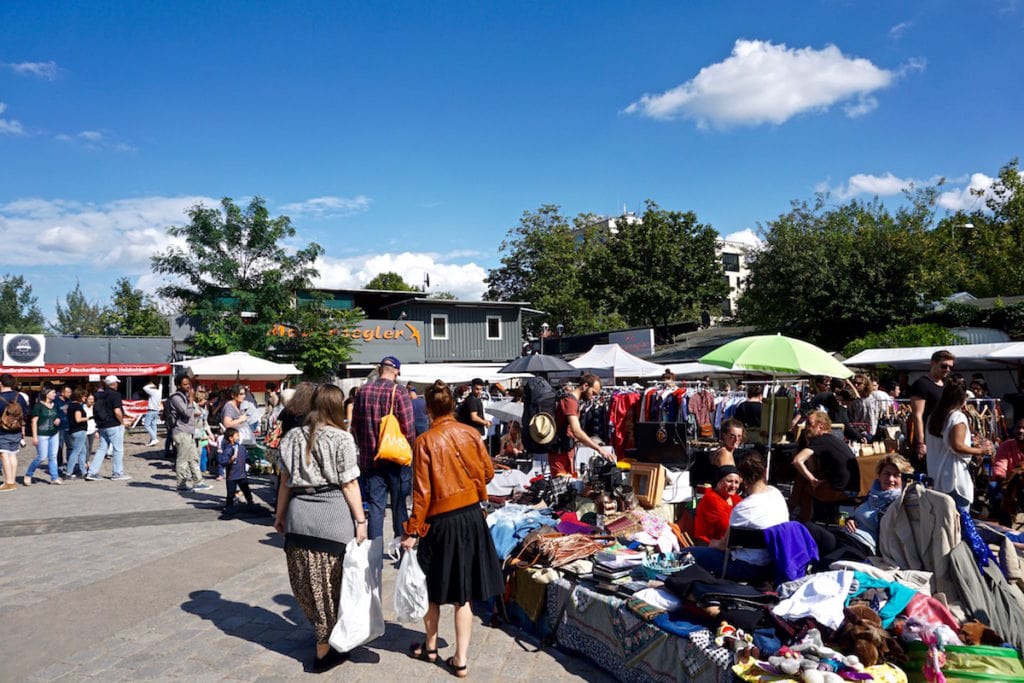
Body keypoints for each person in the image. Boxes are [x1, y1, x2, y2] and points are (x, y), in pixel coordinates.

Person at [400, 380, 503, 679]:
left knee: (431, 588)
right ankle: (460, 659)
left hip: (440, 521)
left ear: (429, 409)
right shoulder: (471, 433)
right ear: (453, 406)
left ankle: (430, 647)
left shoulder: (424, 441)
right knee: (464, 593)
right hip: (471, 516)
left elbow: (421, 494)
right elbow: (488, 472)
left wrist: (412, 530)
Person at [274, 384, 366, 673]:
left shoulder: (291, 438)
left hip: (299, 516)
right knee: (334, 584)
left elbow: (284, 482)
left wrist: (279, 516)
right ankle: (325, 648)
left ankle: (324, 635)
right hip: (333, 518)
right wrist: (361, 521)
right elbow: (349, 483)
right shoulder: (342, 439)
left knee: (307, 584)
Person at [687, 454, 789, 581]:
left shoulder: (743, 508)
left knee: (686, 553)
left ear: (742, 479)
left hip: (746, 567)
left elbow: (724, 545)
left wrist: (711, 544)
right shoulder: (776, 494)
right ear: (765, 472)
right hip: (773, 562)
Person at [802, 454, 912, 568]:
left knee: (826, 563)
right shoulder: (872, 495)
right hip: (844, 535)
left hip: (863, 546)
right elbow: (861, 513)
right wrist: (851, 519)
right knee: (805, 529)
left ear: (903, 480)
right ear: (879, 476)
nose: (890, 479)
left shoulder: (900, 504)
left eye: (896, 476)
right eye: (887, 474)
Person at [351, 356, 415, 541]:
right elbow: (409, 428)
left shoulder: (362, 391)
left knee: (375, 507)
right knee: (399, 505)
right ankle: (401, 549)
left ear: (380, 370)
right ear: (397, 371)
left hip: (370, 460)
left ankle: (374, 554)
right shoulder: (399, 391)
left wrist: (363, 445)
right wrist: (408, 450)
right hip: (395, 459)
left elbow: (355, 426)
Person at [926, 378, 994, 511]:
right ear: (963, 399)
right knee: (960, 524)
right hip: (954, 479)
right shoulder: (957, 417)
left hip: (936, 477)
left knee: (943, 524)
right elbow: (957, 446)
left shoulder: (932, 417)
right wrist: (981, 451)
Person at [790, 410, 859, 522]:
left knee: (804, 485)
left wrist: (812, 480)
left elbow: (797, 460)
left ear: (820, 425)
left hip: (840, 490)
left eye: (810, 423)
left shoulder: (820, 440)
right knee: (804, 479)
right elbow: (812, 468)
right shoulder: (832, 439)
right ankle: (797, 514)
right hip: (852, 488)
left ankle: (802, 521)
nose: (807, 427)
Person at [549, 374, 616, 476]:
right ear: (585, 386)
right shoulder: (570, 401)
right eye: (593, 393)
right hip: (560, 453)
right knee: (562, 486)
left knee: (569, 485)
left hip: (565, 451)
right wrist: (600, 449)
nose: (593, 397)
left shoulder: (572, 401)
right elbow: (576, 430)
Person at [910, 350, 955, 470]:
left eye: (950, 367)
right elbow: (917, 415)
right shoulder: (921, 384)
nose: (947, 370)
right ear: (933, 363)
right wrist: (921, 443)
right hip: (928, 438)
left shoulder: (945, 385)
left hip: (944, 438)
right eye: (944, 366)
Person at [169, 374, 210, 492]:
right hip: (181, 432)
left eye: (188, 384)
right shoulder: (176, 398)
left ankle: (198, 481)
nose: (188, 386)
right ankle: (181, 484)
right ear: (178, 385)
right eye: (185, 384)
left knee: (193, 457)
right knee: (183, 459)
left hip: (189, 432)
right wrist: (191, 399)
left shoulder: (186, 396)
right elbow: (186, 413)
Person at [86, 375, 130, 481]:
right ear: (114, 384)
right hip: (114, 425)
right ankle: (117, 473)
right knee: (118, 449)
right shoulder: (115, 395)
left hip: (102, 425)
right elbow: (117, 411)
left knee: (102, 448)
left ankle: (92, 472)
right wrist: (122, 422)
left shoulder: (99, 394)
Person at [693, 465, 743, 544]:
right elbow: (724, 527)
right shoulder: (711, 498)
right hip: (710, 544)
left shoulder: (736, 498)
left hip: (730, 542)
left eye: (736, 482)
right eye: (729, 481)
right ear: (719, 482)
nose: (733, 486)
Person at [25, 383, 63, 485]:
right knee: (41, 456)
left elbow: (57, 416)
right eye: (53, 392)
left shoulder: (55, 405)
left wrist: (58, 420)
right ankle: (29, 474)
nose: (55, 394)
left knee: (53, 456)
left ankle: (54, 477)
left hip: (54, 433)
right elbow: (34, 422)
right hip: (42, 434)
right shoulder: (38, 406)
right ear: (47, 393)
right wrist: (34, 437)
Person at [0, 373, 29, 492]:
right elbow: (26, 413)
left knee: (4, 454)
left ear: (1, 383)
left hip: (3, 430)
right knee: (12, 454)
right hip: (16, 429)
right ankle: (12, 480)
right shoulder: (20, 396)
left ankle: (9, 482)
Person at [219, 427, 254, 513]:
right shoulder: (228, 449)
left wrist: (251, 463)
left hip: (242, 474)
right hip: (232, 476)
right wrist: (230, 461)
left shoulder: (242, 447)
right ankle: (229, 506)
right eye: (237, 436)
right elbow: (223, 462)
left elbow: (246, 457)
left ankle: (250, 502)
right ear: (231, 438)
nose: (238, 437)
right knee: (231, 492)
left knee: (246, 490)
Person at [65, 388, 89, 479]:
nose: (85, 398)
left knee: (83, 451)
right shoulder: (77, 407)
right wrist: (89, 418)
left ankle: (83, 471)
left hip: (73, 430)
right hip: (79, 430)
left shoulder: (70, 405)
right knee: (76, 452)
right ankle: (69, 472)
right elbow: (78, 419)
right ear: (80, 396)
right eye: (84, 396)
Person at [142, 378, 162, 446]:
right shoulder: (159, 391)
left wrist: (151, 384)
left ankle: (154, 438)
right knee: (154, 425)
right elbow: (161, 385)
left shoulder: (153, 391)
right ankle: (152, 440)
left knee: (146, 425)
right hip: (156, 411)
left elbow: (144, 388)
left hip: (151, 410)